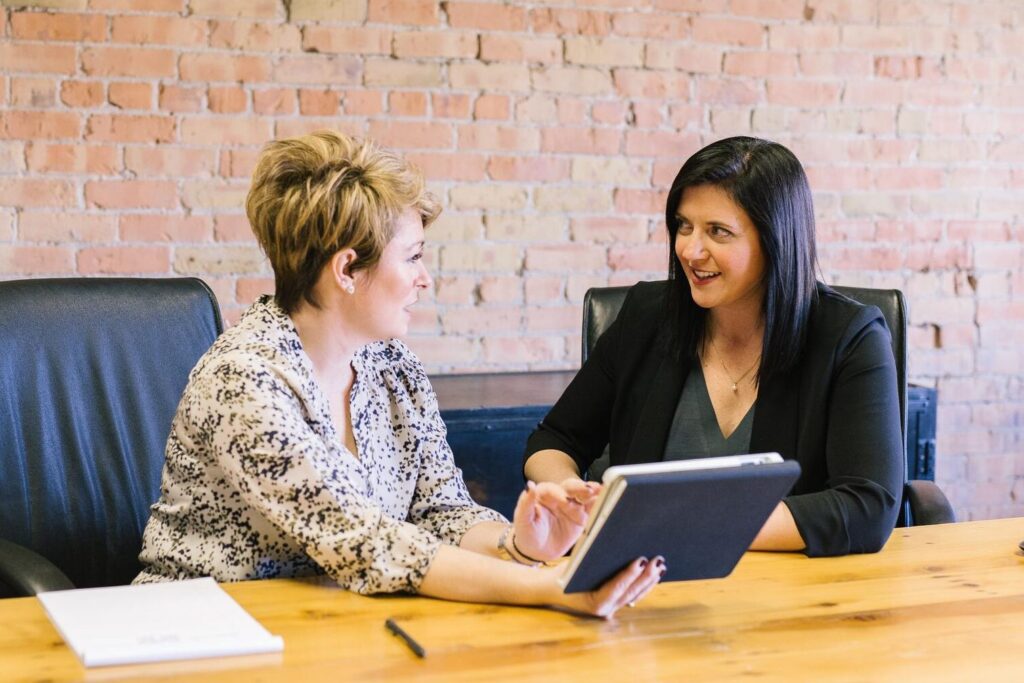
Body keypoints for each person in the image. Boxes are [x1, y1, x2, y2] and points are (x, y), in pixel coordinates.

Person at [135, 130, 663, 617]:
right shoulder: (244, 380)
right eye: (412, 257)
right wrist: (552, 587)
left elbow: (441, 510)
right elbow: (366, 542)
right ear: (346, 269)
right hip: (199, 631)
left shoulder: (392, 365)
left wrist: (520, 545)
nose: (425, 279)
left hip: (336, 624)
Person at [524, 136, 903, 557]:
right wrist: (569, 496)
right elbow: (554, 440)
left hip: (788, 592)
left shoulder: (850, 337)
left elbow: (868, 506)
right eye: (684, 226)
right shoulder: (647, 317)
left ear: (775, 239)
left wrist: (679, 524)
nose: (690, 249)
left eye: (718, 232)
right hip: (643, 584)